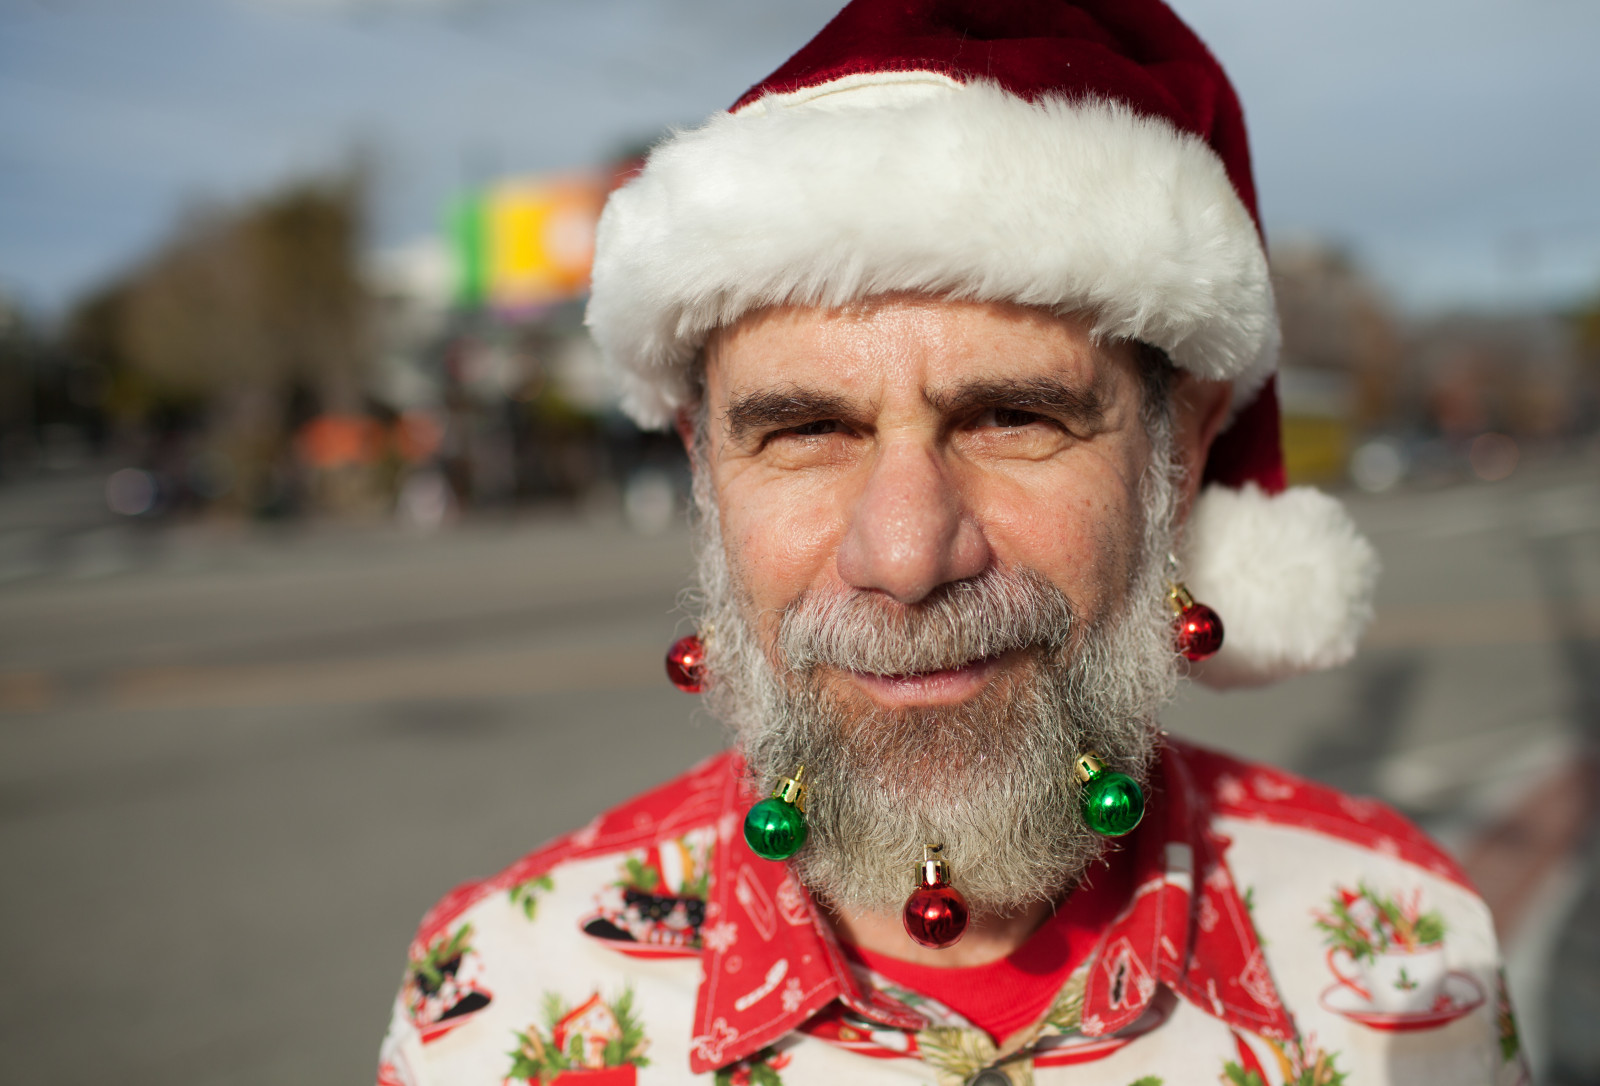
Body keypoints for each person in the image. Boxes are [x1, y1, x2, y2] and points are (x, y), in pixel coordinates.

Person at [377, 2, 1528, 1083]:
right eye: (806, 431)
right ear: (700, 466)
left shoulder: (1405, 959)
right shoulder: (501, 1002)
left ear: (1177, 452)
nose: (907, 553)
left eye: (1011, 417)